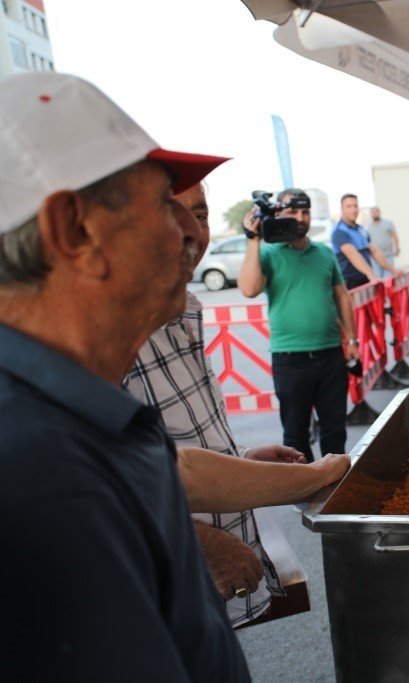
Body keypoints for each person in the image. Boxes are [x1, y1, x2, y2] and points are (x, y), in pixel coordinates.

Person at [0, 72, 252, 679]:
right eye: (164, 204)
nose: (193, 232)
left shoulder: (77, 414)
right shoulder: (39, 470)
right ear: (76, 230)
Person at [123, 182, 307, 627]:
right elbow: (100, 478)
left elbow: (172, 440)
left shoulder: (183, 308)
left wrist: (238, 459)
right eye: (171, 211)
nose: (193, 231)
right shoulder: (106, 328)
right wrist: (193, 539)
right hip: (154, 588)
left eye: (201, 215)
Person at [239, 189, 359, 463]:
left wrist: (351, 341)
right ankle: (303, 490)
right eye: (293, 212)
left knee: (335, 430)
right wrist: (253, 240)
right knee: (295, 434)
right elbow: (249, 288)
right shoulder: (268, 253)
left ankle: (333, 487)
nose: (300, 218)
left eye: (305, 211)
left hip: (330, 356)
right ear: (278, 214)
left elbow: (341, 296)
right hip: (290, 359)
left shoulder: (324, 253)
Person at [331, 193, 398, 288]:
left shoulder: (360, 230)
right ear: (342, 209)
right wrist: (372, 275)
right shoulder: (339, 231)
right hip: (350, 284)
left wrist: (393, 271)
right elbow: (353, 255)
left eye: (355, 206)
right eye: (349, 206)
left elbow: (374, 251)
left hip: (365, 280)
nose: (353, 210)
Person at [365, 205, 400, 278]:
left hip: (388, 256)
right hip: (375, 259)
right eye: (372, 212)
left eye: (376, 212)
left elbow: (394, 236)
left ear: (379, 212)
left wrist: (397, 248)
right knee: (378, 279)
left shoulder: (388, 223)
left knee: (388, 278)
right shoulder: (368, 228)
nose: (374, 214)